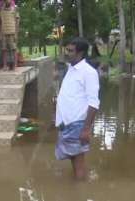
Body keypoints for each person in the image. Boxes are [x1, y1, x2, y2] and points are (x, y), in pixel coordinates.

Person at [55, 37, 100, 180]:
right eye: (67, 49)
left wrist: (86, 129)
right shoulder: (71, 68)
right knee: (73, 158)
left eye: (70, 50)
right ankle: (78, 188)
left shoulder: (89, 72)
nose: (67, 53)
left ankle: (80, 192)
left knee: (79, 161)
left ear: (80, 53)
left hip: (78, 124)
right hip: (66, 123)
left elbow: (94, 103)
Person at [0, 0, 20, 70]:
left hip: (12, 33)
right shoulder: (1, 10)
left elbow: (17, 21)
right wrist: (0, 32)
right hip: (4, 33)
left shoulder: (14, 9)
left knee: (14, 49)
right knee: (4, 49)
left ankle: (15, 65)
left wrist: (16, 33)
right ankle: (5, 65)